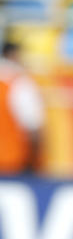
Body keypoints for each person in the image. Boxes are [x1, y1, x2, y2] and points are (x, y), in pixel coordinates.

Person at [0, 39, 44, 176]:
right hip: (12, 162)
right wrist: (33, 163)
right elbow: (33, 126)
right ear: (14, 55)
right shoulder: (20, 82)